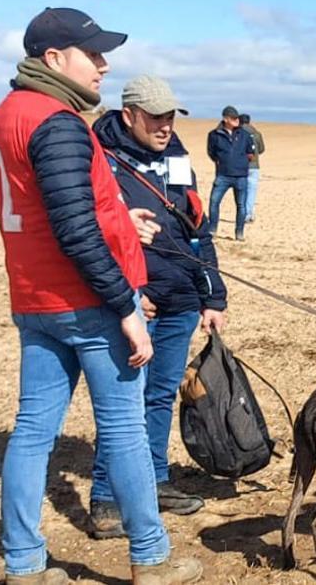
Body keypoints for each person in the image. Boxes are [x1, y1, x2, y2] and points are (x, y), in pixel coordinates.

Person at [0, 7, 201, 584]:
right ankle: (151, 559)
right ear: (54, 59)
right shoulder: (55, 121)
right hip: (86, 302)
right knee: (125, 428)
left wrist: (121, 223)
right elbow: (74, 231)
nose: (104, 65)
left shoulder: (5, 117)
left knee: (32, 431)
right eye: (93, 54)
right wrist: (126, 306)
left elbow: (51, 210)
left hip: (35, 301)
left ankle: (24, 565)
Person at [90, 75, 228, 537]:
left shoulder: (177, 157)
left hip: (181, 299)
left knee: (161, 396)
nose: (166, 125)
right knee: (122, 403)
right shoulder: (98, 156)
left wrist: (212, 296)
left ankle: (154, 482)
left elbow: (196, 228)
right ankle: (107, 499)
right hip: (133, 302)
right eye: (156, 116)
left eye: (171, 116)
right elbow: (85, 234)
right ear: (128, 115)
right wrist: (127, 294)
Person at [205, 105, 254, 241]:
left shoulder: (244, 135)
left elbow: (250, 153)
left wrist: (241, 162)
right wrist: (221, 161)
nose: (236, 120)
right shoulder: (214, 135)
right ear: (226, 119)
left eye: (237, 118)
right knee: (214, 202)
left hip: (241, 176)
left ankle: (239, 233)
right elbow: (211, 152)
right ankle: (212, 230)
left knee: (241, 206)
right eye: (233, 118)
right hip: (223, 175)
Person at [238, 113, 265, 224]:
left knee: (242, 191)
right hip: (254, 165)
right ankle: (248, 214)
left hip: (241, 165)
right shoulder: (256, 133)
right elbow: (262, 149)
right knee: (252, 191)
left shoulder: (238, 133)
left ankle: (244, 214)